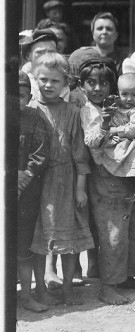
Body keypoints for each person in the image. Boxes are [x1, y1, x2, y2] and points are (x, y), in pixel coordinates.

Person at [80, 59, 135, 304]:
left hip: (130, 174)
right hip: (106, 177)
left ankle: (127, 275)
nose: (98, 88)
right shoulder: (88, 111)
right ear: (82, 86)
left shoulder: (125, 105)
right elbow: (94, 142)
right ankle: (108, 285)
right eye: (91, 83)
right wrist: (107, 126)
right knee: (114, 233)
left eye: (104, 83)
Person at [28, 53, 94, 306]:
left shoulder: (73, 111)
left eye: (55, 81)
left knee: (69, 240)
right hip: (38, 182)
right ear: (36, 79)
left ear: (65, 82)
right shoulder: (31, 109)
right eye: (43, 79)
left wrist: (80, 189)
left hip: (66, 180)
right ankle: (41, 289)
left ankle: (67, 289)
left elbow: (79, 153)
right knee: (39, 238)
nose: (48, 85)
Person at [16, 71, 51, 312]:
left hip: (25, 192)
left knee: (23, 244)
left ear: (28, 97)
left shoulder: (34, 118)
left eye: (19, 94)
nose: (12, 100)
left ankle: (27, 296)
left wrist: (24, 176)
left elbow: (40, 153)